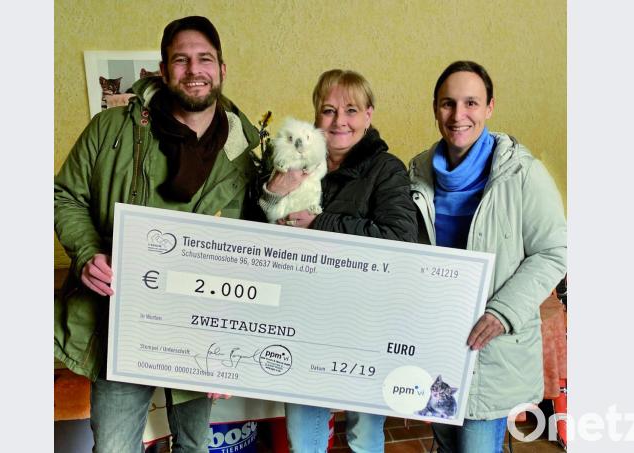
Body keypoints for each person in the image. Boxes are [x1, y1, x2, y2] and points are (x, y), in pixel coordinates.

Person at [54, 16, 261, 452]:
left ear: (222, 69)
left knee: (193, 445)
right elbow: (64, 195)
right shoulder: (110, 130)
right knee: (113, 447)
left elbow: (256, 252)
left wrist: (232, 345)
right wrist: (88, 252)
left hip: (199, 329)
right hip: (121, 324)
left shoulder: (244, 154)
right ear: (164, 72)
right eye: (180, 60)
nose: (194, 69)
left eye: (205, 59)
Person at [407, 61, 567, 452]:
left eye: (471, 103)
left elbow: (555, 251)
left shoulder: (522, 174)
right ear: (434, 108)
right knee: (445, 445)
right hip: (440, 347)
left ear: (490, 107)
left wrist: (502, 312)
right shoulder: (416, 173)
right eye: (448, 104)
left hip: (493, 350)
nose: (458, 115)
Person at [259, 69, 418, 452]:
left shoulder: (386, 169)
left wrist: (321, 224)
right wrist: (268, 194)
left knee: (364, 433)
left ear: (368, 115)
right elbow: (258, 236)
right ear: (315, 116)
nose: (339, 121)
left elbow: (400, 238)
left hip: (365, 319)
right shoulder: (292, 164)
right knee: (304, 432)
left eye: (351, 110)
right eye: (328, 111)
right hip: (303, 318)